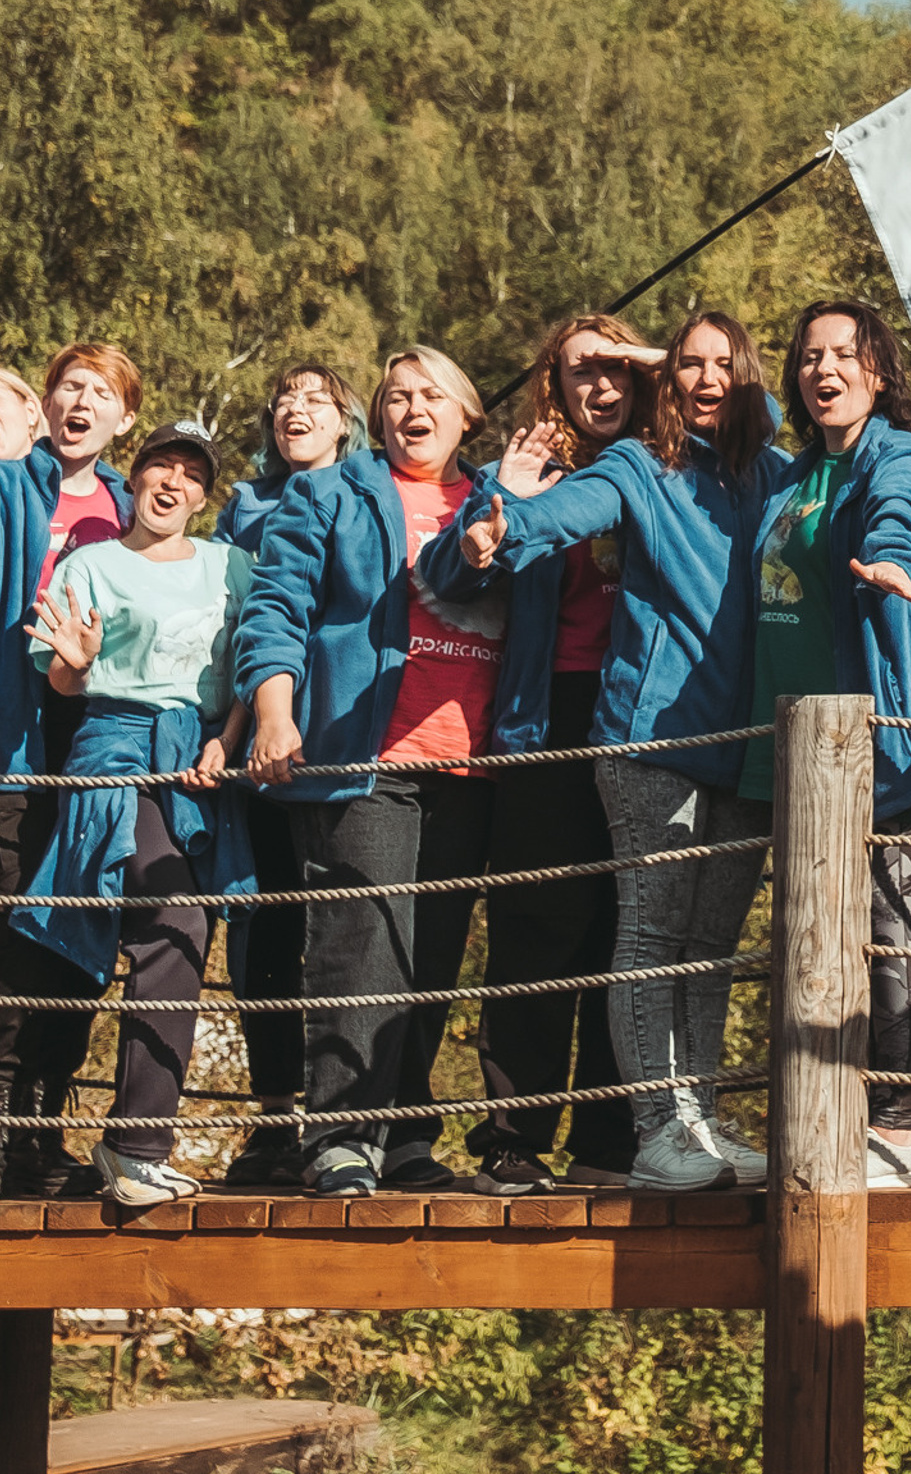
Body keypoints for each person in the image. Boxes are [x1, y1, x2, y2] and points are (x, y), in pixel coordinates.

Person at [446, 308, 789, 1194]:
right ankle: (636, 1129)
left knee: (702, 945)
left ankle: (690, 1120)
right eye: (689, 367)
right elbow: (564, 513)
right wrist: (504, 524)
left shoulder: (762, 470)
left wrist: (667, 357)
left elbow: (781, 412)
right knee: (629, 931)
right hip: (635, 736)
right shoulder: (635, 466)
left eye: (720, 366)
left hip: (743, 742)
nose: (705, 380)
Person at [234, 346, 538, 1197]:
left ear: (466, 413)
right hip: (362, 753)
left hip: (470, 762)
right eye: (396, 395)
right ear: (377, 418)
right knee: (360, 945)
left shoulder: (499, 496)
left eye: (431, 393)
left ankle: (404, 1136)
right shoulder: (330, 491)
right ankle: (338, 1136)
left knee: (429, 956)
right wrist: (272, 711)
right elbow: (276, 607)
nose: (412, 407)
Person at [436, 316, 663, 1195]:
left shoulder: (670, 466)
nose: (600, 387)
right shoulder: (526, 472)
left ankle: (609, 1141)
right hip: (546, 718)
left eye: (615, 370)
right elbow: (452, 578)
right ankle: (513, 1137)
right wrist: (502, 490)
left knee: (625, 928)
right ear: (554, 389)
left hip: (646, 717)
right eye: (580, 374)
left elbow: (742, 401)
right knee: (536, 930)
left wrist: (661, 359)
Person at [739, 299, 911, 1193]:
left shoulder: (895, 454)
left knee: (890, 928)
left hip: (872, 740)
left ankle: (899, 1132)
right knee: (812, 940)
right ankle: (827, 1122)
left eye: (845, 355)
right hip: (794, 756)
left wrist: (894, 559)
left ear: (879, 371)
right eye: (810, 357)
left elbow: (900, 514)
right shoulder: (793, 476)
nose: (824, 370)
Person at [13, 421, 254, 1207]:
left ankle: (134, 1144)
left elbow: (258, 663)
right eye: (159, 466)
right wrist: (73, 670)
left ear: (203, 495)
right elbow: (62, 679)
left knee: (178, 931)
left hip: (199, 761)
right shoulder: (92, 563)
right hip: (113, 749)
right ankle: (93, 1143)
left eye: (190, 474)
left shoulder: (231, 566)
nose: (172, 482)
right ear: (137, 478)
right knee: (133, 931)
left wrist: (231, 738)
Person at [209, 362, 368, 1190]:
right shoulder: (247, 508)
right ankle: (276, 1120)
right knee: (266, 935)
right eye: (282, 402)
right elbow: (235, 623)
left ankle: (359, 1120)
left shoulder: (373, 495)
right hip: (263, 751)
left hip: (348, 741)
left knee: (348, 933)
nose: (293, 411)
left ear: (347, 423)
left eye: (315, 401)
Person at [0, 341, 141, 1196]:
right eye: (68, 387)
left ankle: (42, 1128)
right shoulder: (13, 479)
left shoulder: (134, 506)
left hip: (93, 745)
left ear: (124, 419)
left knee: (76, 936)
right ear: (44, 405)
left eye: (101, 393)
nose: (80, 401)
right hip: (13, 744)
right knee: (12, 939)